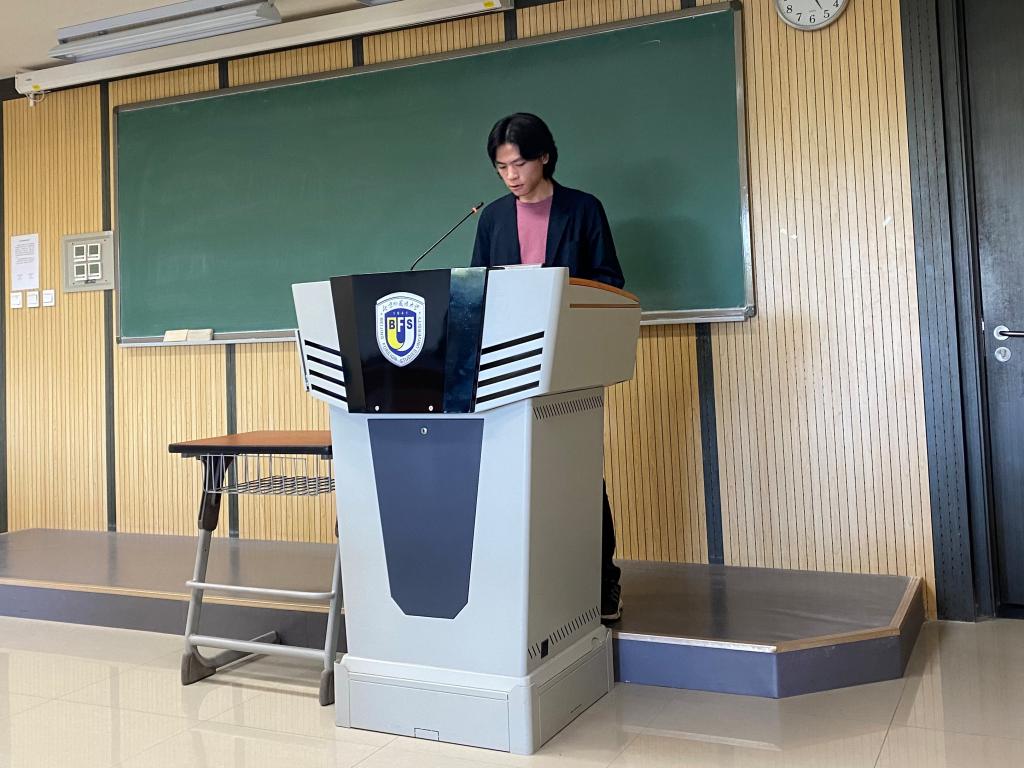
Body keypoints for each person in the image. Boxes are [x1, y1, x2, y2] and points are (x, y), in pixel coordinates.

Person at [471, 112, 625, 622]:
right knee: (513, 476)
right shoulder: (493, 219)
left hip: (568, 360)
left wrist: (556, 289)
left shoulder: (583, 209)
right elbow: (476, 288)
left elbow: (610, 279)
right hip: (507, 365)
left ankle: (602, 583)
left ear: (544, 156)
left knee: (577, 475)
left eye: (518, 164)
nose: (511, 176)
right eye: (501, 168)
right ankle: (528, 584)